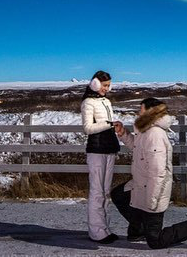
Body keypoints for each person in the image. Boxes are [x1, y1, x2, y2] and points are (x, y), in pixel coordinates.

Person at [112, 98, 187, 249]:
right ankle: (139, 229)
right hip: (140, 184)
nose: (138, 112)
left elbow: (158, 173)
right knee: (119, 195)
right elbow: (137, 148)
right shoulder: (146, 131)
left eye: (141, 109)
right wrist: (123, 133)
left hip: (153, 190)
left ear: (150, 112)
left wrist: (153, 200)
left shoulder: (154, 135)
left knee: (155, 241)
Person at [80, 70, 120, 244]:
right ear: (95, 84)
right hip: (96, 150)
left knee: (105, 191)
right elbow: (87, 128)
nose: (107, 88)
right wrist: (108, 124)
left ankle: (104, 229)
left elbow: (105, 124)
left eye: (109, 85)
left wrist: (113, 126)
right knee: (97, 191)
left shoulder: (106, 101)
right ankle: (96, 232)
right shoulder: (88, 102)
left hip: (109, 147)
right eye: (104, 85)